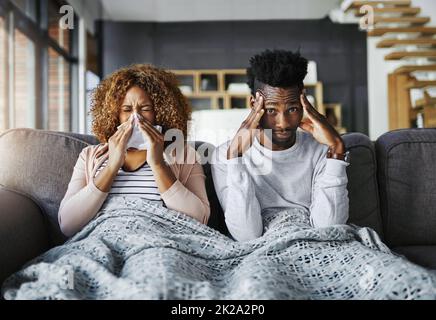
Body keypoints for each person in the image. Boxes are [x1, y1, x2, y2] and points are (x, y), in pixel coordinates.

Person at [211, 49, 349, 242]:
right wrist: (235, 156)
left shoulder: (322, 152)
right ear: (254, 104)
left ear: (304, 104)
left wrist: (337, 149)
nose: (283, 123)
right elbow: (246, 235)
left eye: (292, 109)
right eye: (271, 110)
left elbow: (329, 228)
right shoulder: (225, 156)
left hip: (314, 242)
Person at [58, 64, 210, 237]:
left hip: (159, 241)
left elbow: (199, 219)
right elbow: (68, 224)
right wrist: (112, 166)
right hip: (103, 238)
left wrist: (158, 163)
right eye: (127, 110)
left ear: (161, 113)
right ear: (114, 115)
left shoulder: (185, 155)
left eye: (145, 109)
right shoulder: (90, 156)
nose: (135, 118)